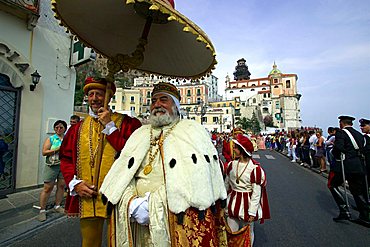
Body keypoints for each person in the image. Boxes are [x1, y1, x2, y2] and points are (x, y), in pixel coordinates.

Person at [100, 82, 228, 246]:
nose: (157, 105)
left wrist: (153, 204)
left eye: (163, 100)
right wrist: (130, 201)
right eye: (153, 100)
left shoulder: (192, 131)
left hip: (173, 219)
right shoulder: (140, 134)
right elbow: (125, 171)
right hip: (136, 219)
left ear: (175, 105)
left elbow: (197, 179)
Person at [59, 77, 142, 247]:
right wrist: (74, 184)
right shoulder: (76, 129)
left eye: (100, 94)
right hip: (87, 196)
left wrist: (110, 126)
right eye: (91, 94)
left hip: (119, 196)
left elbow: (133, 155)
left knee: (121, 242)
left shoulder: (128, 124)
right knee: (89, 243)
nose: (95, 98)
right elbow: (65, 159)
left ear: (109, 97)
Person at [224, 134, 270, 246]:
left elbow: (256, 193)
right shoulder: (231, 165)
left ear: (242, 150)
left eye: (235, 147)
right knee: (231, 233)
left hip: (247, 204)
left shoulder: (255, 169)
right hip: (233, 203)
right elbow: (226, 185)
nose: (233, 148)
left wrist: (252, 212)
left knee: (248, 234)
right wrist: (223, 202)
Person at [329, 115, 370, 227]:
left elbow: (338, 148)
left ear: (341, 123)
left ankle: (344, 210)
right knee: (357, 191)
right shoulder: (360, 135)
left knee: (332, 185)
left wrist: (335, 153)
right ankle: (365, 216)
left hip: (346, 165)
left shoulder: (341, 133)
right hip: (359, 166)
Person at [37, 120, 67, 222]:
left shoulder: (67, 139)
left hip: (63, 165)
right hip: (52, 166)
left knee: (61, 186)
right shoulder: (51, 139)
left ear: (65, 129)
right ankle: (42, 210)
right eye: (57, 127)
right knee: (47, 188)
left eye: (61, 127)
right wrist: (57, 149)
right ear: (54, 129)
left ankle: (57, 206)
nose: (59, 129)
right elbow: (44, 152)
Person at [359, 118, 370, 193]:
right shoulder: (364, 138)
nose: (361, 127)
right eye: (361, 126)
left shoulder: (365, 138)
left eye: (363, 125)